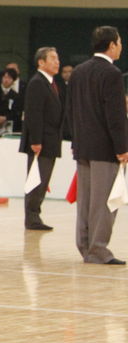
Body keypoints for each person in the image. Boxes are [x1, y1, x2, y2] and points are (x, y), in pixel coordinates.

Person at [68, 26, 128, 265]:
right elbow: (115, 115)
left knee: (86, 200)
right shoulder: (111, 74)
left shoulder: (78, 72)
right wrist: (122, 147)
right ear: (111, 45)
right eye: (120, 42)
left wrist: (76, 141)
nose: (121, 47)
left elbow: (70, 110)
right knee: (103, 201)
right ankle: (98, 249)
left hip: (83, 146)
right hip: (105, 148)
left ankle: (85, 245)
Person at [20, 47, 63, 232]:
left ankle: (35, 215)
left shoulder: (51, 83)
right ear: (41, 62)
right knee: (36, 180)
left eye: (57, 58)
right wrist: (35, 141)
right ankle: (32, 217)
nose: (57, 62)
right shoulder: (37, 82)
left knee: (43, 180)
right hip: (41, 141)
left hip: (51, 140)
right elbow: (34, 114)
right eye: (52, 58)